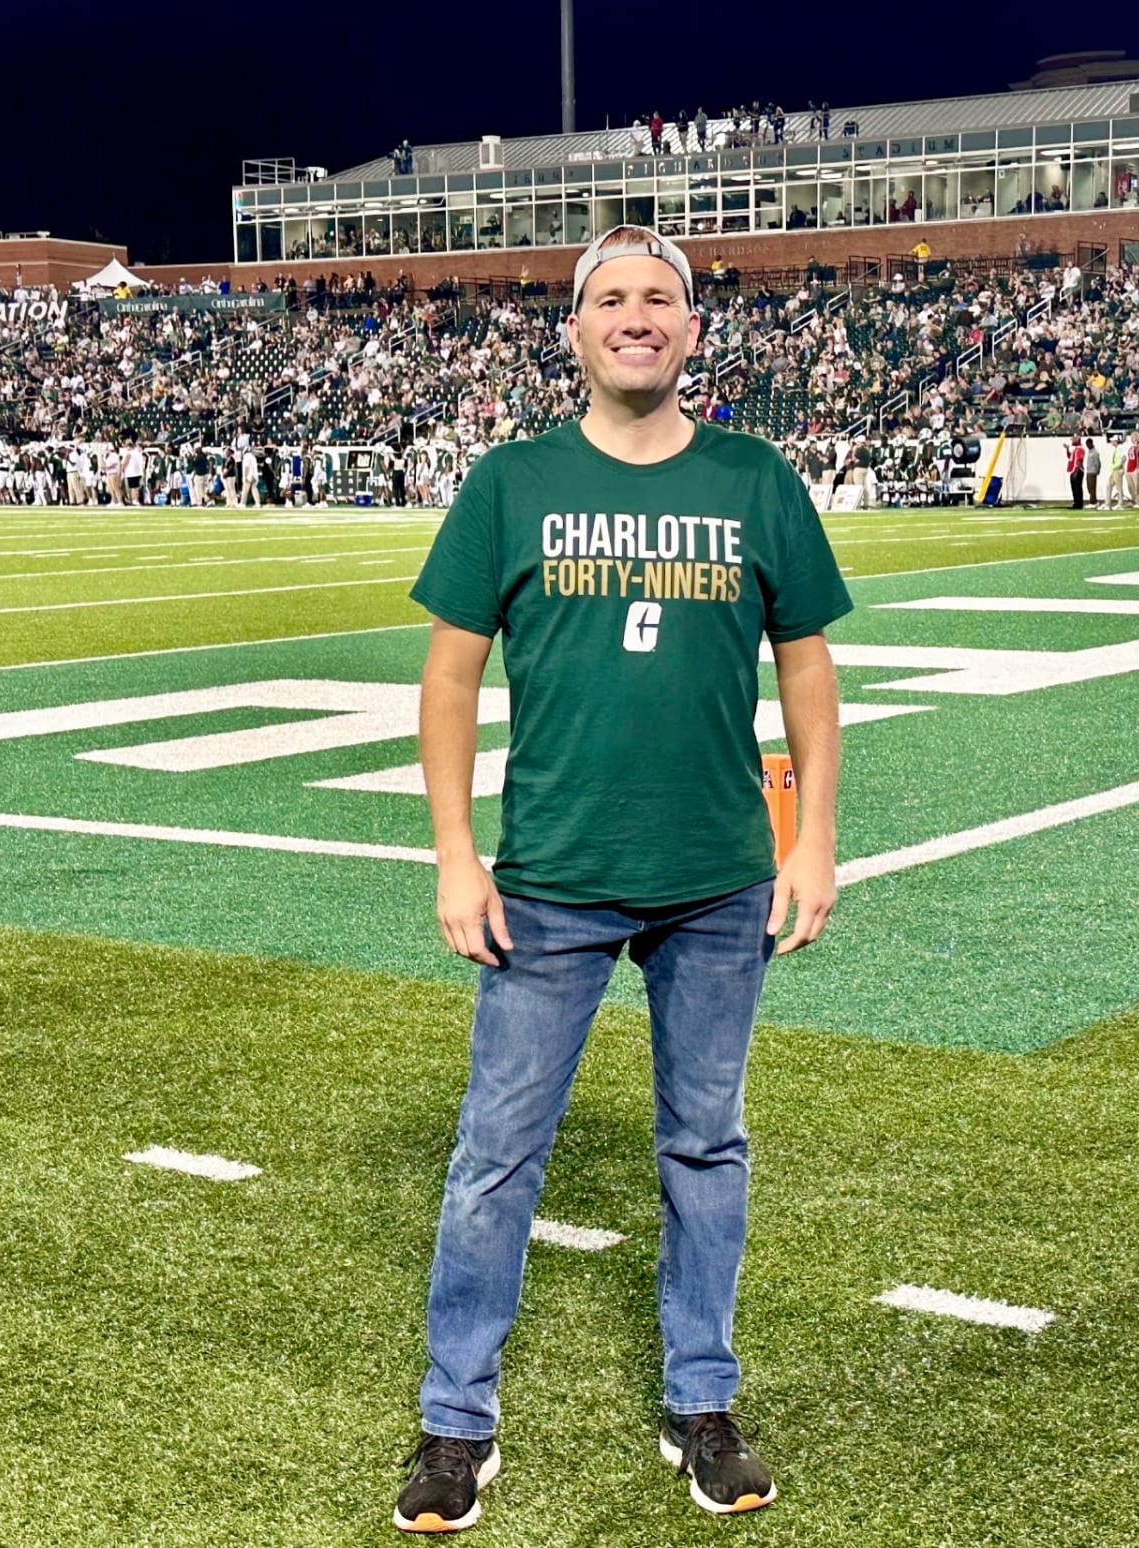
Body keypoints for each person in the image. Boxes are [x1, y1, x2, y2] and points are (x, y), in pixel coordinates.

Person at [396, 224, 850, 1535]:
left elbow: (808, 668)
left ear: (692, 329)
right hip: (550, 876)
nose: (636, 317)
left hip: (718, 879)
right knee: (494, 1159)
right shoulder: (511, 482)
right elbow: (449, 674)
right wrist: (453, 853)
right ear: (578, 327)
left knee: (707, 1146)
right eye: (612, 298)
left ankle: (702, 1401)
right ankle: (454, 1421)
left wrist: (813, 836)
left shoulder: (757, 479)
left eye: (660, 299)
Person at [1065, 435, 1085, 509]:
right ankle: (1076, 502)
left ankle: (1079, 503)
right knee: (1074, 488)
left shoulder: (1080, 449)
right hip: (1074, 470)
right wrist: (1067, 449)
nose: (1072, 441)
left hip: (1077, 471)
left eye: (1073, 440)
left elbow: (1079, 460)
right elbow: (1070, 456)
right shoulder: (1075, 449)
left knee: (1077, 488)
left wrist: (1076, 471)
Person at [1082, 436, 1101, 507]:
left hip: (1093, 472)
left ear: (1091, 443)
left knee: (1092, 487)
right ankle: (1093, 500)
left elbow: (1097, 462)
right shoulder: (1089, 452)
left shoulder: (1095, 452)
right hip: (1088, 471)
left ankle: (1093, 502)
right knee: (1089, 487)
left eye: (1088, 444)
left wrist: (1097, 470)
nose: (1087, 446)